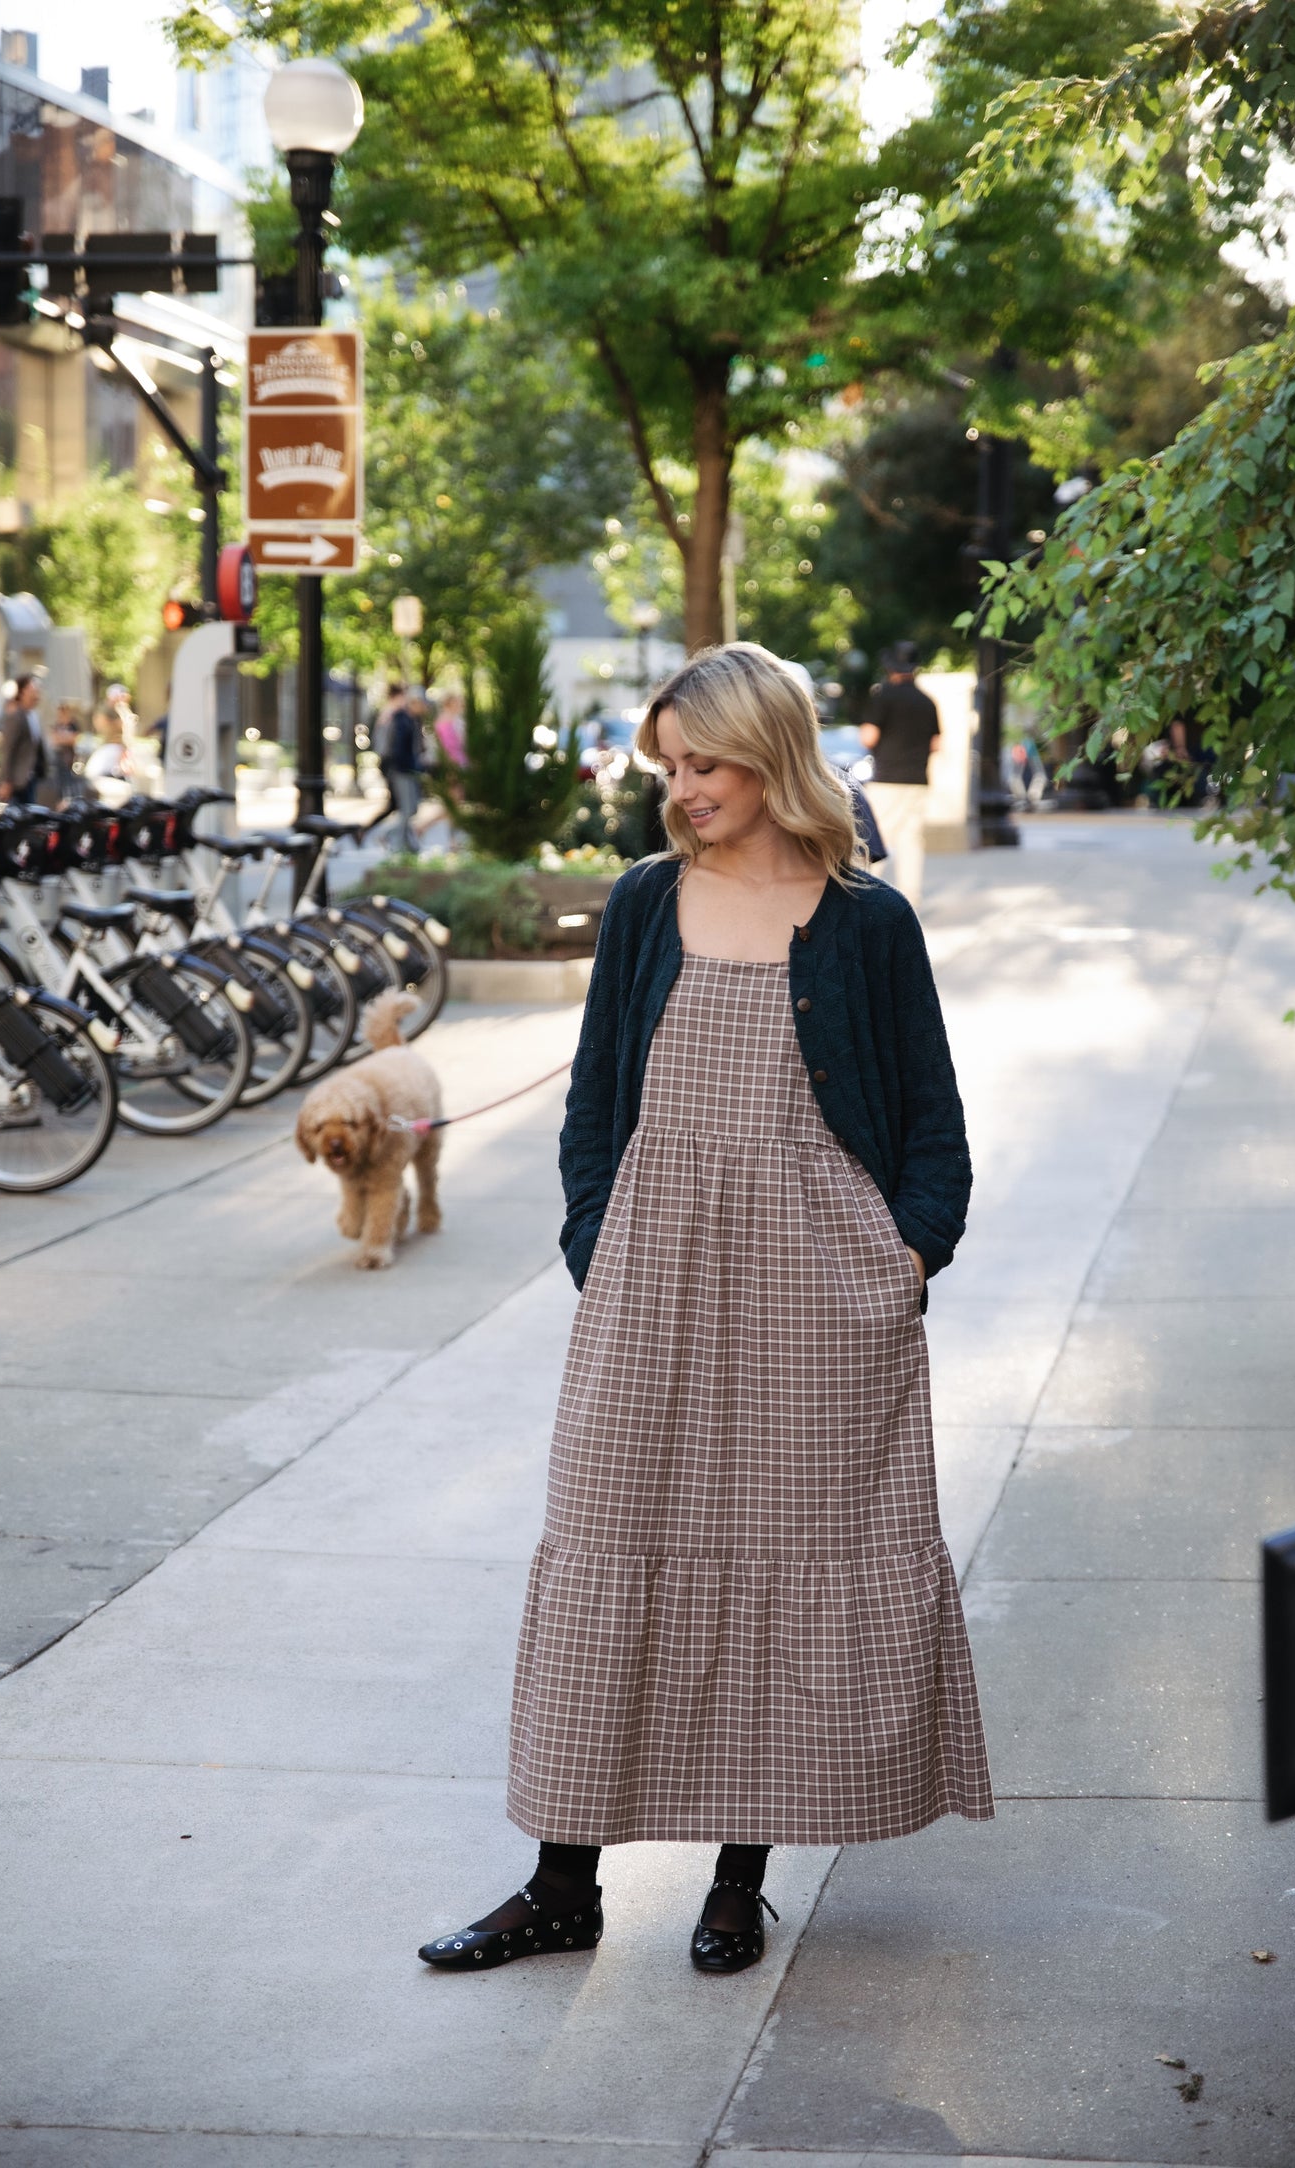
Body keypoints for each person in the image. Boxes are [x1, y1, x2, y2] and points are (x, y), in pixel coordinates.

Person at [418, 641, 990, 1980]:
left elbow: (933, 1127)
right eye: (669, 767)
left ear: (773, 755)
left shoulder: (864, 921)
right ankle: (563, 1884)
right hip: (653, 1288)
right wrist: (593, 1243)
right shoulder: (641, 904)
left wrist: (903, 1264)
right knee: (614, 1541)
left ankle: (740, 1878)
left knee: (782, 1565)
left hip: (819, 1297)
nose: (683, 789)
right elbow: (593, 1106)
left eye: (707, 765)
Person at [859, 641, 940, 909]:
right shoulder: (928, 701)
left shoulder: (884, 696)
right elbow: (936, 744)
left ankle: (863, 897)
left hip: (886, 780)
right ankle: (910, 901)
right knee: (911, 842)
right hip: (917, 780)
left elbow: (868, 736)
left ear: (891, 667)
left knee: (874, 839)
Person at [381, 688, 424, 856]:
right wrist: (410, 764)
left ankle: (407, 843)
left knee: (412, 808)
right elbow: (397, 749)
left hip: (409, 769)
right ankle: (394, 841)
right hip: (400, 769)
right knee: (406, 808)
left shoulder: (413, 720)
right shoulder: (401, 720)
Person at [0, 675, 47, 806]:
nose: (37, 693)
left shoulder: (34, 716)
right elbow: (8, 749)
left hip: (31, 777)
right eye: (33, 689)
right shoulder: (16, 716)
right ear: (22, 691)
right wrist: (6, 781)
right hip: (16, 781)